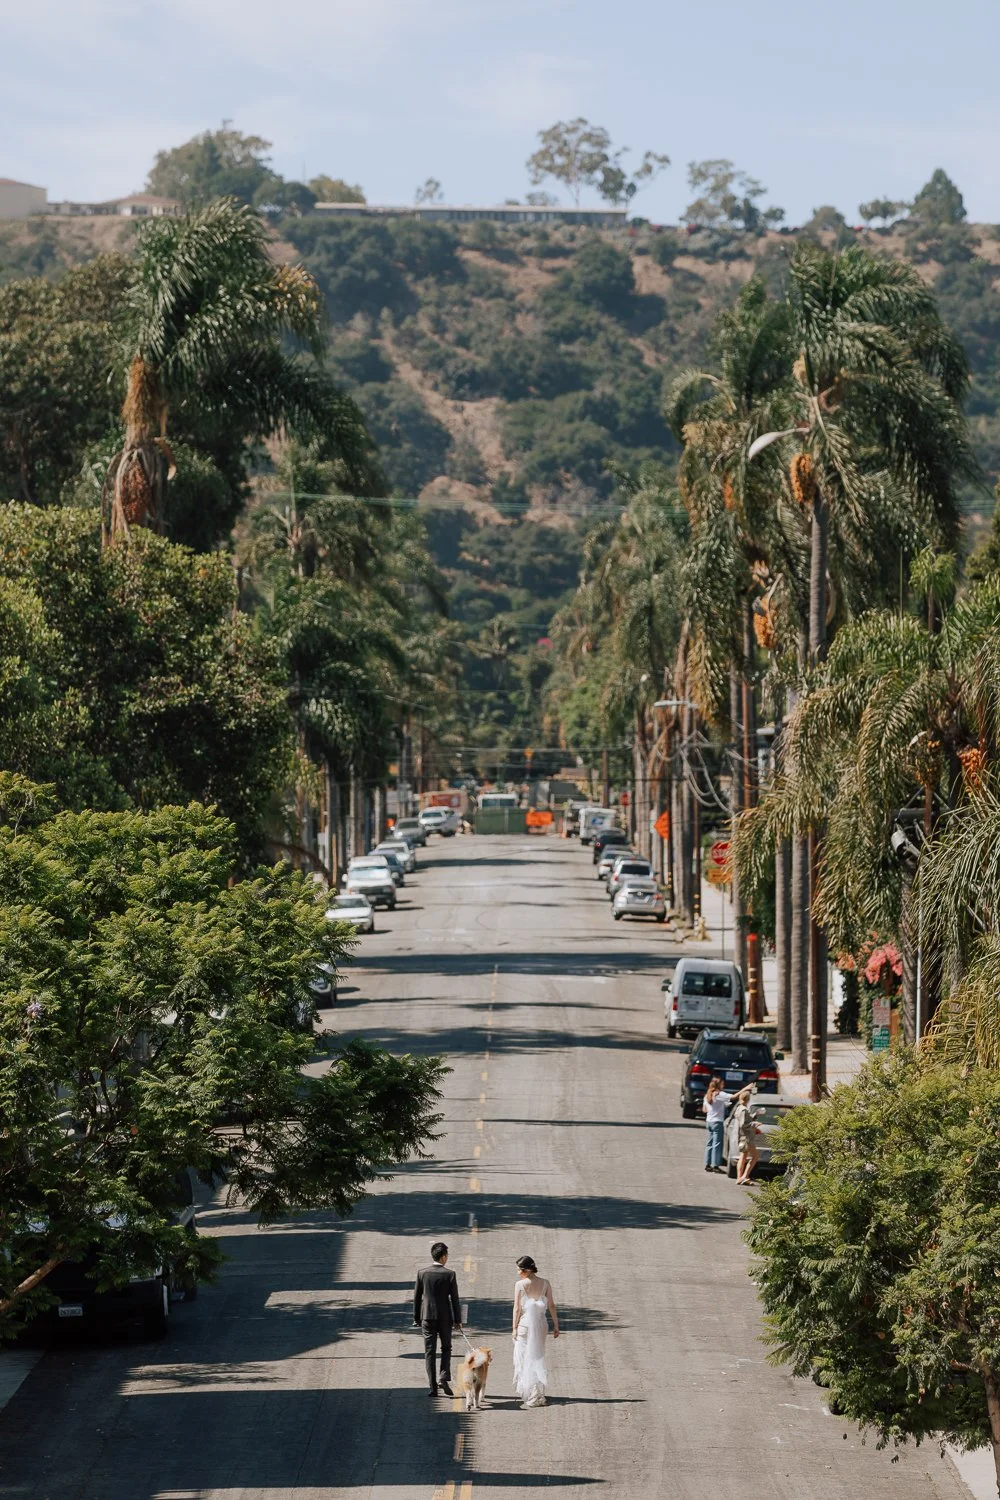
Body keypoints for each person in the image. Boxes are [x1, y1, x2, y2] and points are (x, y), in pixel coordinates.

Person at [413, 1241, 462, 1396]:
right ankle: (443, 1376)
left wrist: (417, 1318)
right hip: (445, 1317)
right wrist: (458, 1320)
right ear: (443, 1257)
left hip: (427, 1316)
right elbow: (455, 1299)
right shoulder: (450, 1274)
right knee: (446, 1348)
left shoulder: (422, 1273)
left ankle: (432, 1387)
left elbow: (417, 1297)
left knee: (430, 1352)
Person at [512, 1254, 559, 1408]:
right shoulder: (545, 1283)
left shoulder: (520, 1285)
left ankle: (531, 1391)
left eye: (519, 1269)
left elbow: (517, 1309)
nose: (518, 1272)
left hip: (525, 1326)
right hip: (541, 1324)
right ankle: (538, 1393)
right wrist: (556, 1325)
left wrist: (514, 1328)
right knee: (537, 1357)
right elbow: (551, 1305)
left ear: (526, 1270)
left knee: (524, 1358)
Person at [702, 1076, 734, 1172]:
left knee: (709, 1143)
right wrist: (746, 1088)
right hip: (717, 1122)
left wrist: (713, 1108)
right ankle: (715, 1165)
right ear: (718, 1085)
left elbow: (704, 1110)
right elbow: (734, 1096)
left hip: (709, 1122)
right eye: (722, 1083)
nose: (723, 1085)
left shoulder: (708, 1095)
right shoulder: (720, 1094)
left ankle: (707, 1164)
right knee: (717, 1144)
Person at [733, 1088, 761, 1184]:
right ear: (748, 1099)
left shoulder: (739, 1108)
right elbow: (744, 1124)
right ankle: (745, 1176)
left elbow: (743, 1121)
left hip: (741, 1136)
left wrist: (753, 1116)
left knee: (743, 1157)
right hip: (747, 1137)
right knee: (755, 1156)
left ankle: (739, 1178)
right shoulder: (744, 1110)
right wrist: (754, 1124)